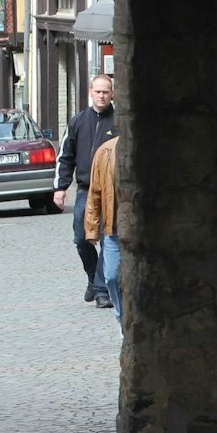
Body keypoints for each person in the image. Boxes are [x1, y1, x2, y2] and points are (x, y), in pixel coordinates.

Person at [53, 74, 117, 306]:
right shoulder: (77, 121)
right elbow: (65, 156)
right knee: (81, 238)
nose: (101, 96)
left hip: (111, 191)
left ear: (112, 94)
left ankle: (101, 290)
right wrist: (60, 187)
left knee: (106, 238)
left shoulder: (119, 121)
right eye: (98, 91)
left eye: (105, 92)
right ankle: (93, 278)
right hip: (84, 190)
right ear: (90, 92)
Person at [83, 136, 122, 324]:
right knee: (112, 277)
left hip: (138, 231)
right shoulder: (105, 151)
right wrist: (91, 228)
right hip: (113, 230)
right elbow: (95, 192)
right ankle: (122, 318)